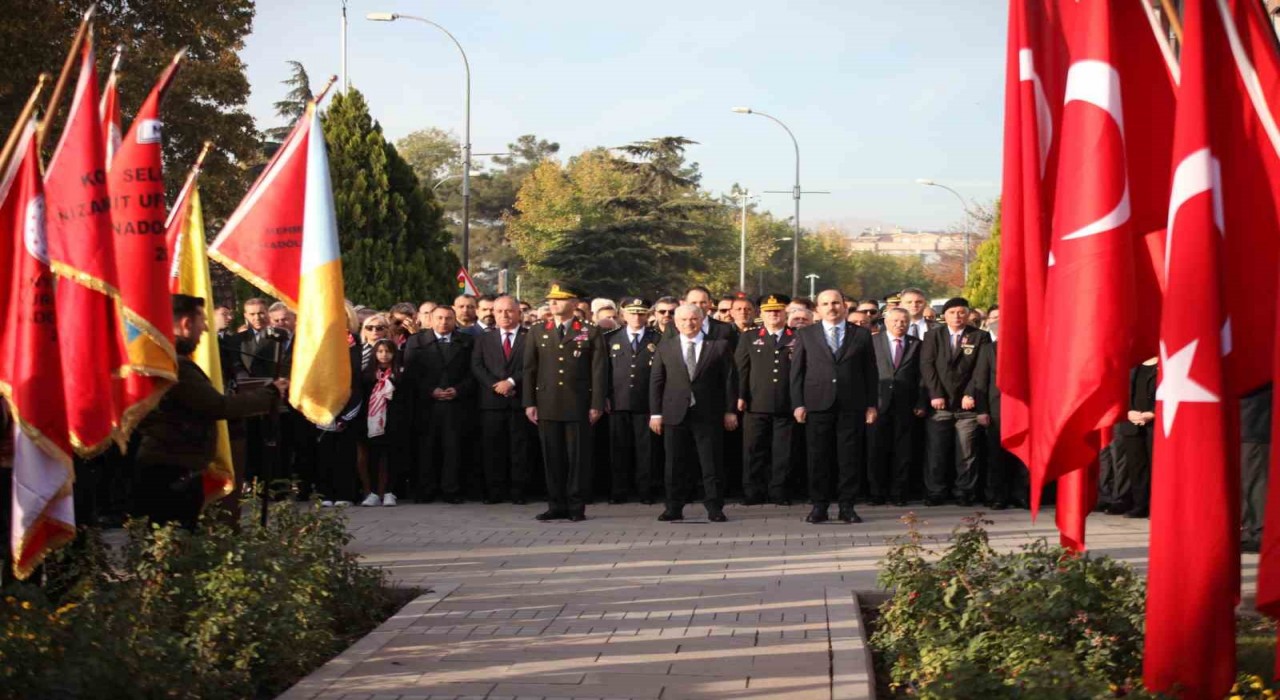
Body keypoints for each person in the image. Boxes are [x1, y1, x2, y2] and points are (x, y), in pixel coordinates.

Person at [133, 295, 286, 529]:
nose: (205, 328)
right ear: (186, 324)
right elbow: (217, 406)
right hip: (173, 468)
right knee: (175, 541)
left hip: (170, 464)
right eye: (201, 320)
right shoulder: (176, 366)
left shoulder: (162, 358)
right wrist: (270, 394)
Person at [790, 289, 878, 524]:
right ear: (817, 309)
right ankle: (819, 506)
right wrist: (798, 403)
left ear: (844, 306)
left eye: (836, 303)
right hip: (818, 404)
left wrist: (871, 404)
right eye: (826, 303)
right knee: (818, 458)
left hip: (852, 404)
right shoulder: (806, 334)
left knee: (849, 458)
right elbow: (797, 372)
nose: (832, 307)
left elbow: (870, 372)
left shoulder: (861, 334)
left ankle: (847, 506)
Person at [524, 282, 608, 522]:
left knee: (577, 458)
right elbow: (530, 368)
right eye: (551, 299)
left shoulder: (590, 330)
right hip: (548, 402)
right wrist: (529, 402)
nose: (553, 303)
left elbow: (599, 371)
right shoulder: (538, 330)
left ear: (573, 303)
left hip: (578, 403)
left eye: (559, 299)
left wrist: (597, 403)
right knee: (552, 458)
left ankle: (575, 506)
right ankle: (555, 504)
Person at [650, 304, 738, 522]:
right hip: (674, 413)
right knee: (674, 464)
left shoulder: (718, 346)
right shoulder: (666, 347)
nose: (689, 323)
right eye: (683, 320)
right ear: (676, 323)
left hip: (707, 413)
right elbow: (657, 381)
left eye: (693, 319)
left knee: (711, 463)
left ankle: (715, 508)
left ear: (701, 320)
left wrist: (730, 411)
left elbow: (729, 381)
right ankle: (673, 507)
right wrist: (655, 414)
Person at [920, 297, 991, 506]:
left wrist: (971, 393)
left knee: (966, 452)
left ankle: (964, 492)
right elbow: (927, 366)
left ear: (968, 314)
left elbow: (980, 369)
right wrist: (935, 394)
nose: (957, 316)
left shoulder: (980, 336)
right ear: (945, 315)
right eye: (952, 312)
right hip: (939, 404)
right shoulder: (933, 335)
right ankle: (935, 492)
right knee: (936, 451)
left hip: (967, 405)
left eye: (962, 312)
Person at [403, 305, 476, 503]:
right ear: (431, 320)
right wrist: (430, 390)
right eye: (440, 318)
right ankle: (426, 489)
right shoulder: (416, 341)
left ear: (455, 320)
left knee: (453, 449)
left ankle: (451, 490)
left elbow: (473, 371)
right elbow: (411, 372)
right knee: (426, 448)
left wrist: (459, 390)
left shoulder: (467, 342)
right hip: (427, 405)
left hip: (455, 405)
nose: (444, 322)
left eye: (448, 318)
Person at [471, 295, 534, 504]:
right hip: (491, 403)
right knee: (492, 450)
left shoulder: (530, 337)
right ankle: (494, 492)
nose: (504, 315)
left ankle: (519, 493)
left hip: (519, 401)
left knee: (520, 449)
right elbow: (477, 366)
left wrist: (511, 382)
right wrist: (495, 385)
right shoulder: (484, 338)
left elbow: (533, 366)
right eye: (499, 311)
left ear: (518, 313)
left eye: (509, 311)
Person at [736, 294, 797, 505]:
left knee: (783, 452)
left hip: (786, 403)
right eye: (769, 311)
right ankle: (753, 492)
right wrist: (740, 395)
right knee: (753, 451)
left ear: (785, 312)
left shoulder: (796, 336)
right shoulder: (750, 336)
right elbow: (741, 369)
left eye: (778, 310)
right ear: (761, 313)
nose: (773, 314)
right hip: (756, 403)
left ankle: (779, 492)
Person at [604, 297, 662, 504]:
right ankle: (619, 491)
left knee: (646, 452)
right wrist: (604, 396)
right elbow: (604, 371)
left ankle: (646, 492)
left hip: (645, 403)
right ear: (623, 315)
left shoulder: (658, 338)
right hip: (618, 402)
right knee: (618, 449)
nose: (637, 317)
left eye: (641, 313)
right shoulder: (610, 338)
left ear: (647, 315)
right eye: (633, 312)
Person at [868, 308, 925, 506]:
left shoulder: (917, 345)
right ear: (886, 321)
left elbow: (922, 376)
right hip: (878, 404)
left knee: (903, 452)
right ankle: (876, 493)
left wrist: (920, 402)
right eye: (895, 321)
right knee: (877, 450)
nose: (900, 324)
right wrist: (868, 404)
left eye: (904, 321)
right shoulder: (873, 341)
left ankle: (899, 493)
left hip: (905, 405)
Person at [359, 338, 406, 507]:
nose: (384, 355)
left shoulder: (400, 374)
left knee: (393, 456)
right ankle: (372, 492)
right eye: (380, 351)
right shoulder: (367, 375)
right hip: (372, 422)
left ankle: (389, 492)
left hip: (394, 421)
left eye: (388, 351)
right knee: (373, 456)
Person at [666, 286, 738, 342]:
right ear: (684, 303)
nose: (699, 306)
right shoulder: (672, 327)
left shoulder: (725, 328)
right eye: (694, 303)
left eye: (703, 303)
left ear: (710, 304)